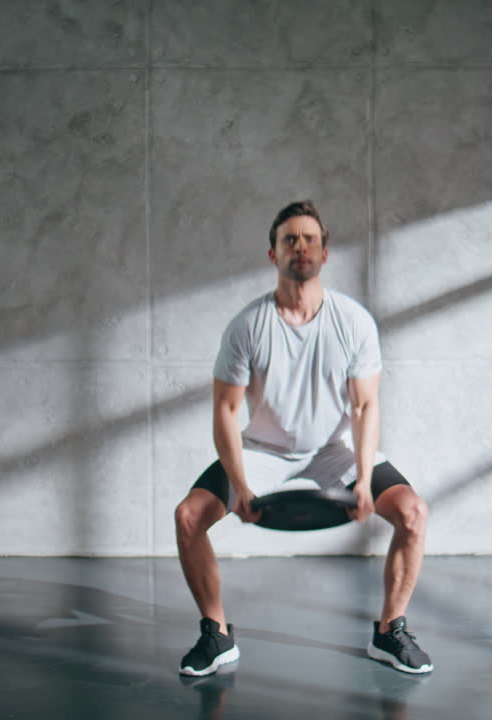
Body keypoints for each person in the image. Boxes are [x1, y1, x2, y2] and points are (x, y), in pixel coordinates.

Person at [174, 200, 433, 677]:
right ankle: (217, 634)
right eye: (289, 239)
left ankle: (390, 631)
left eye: (310, 238)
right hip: (264, 452)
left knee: (413, 513)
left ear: (325, 253)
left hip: (335, 452)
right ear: (272, 254)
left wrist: (361, 479)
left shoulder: (352, 321)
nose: (300, 246)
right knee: (189, 516)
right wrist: (241, 486)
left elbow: (364, 407)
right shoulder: (248, 326)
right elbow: (226, 412)